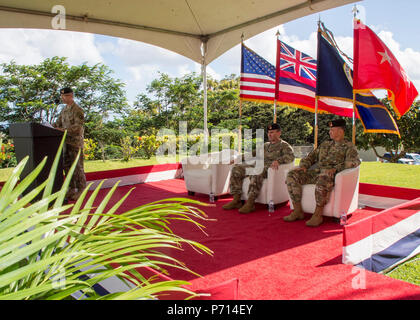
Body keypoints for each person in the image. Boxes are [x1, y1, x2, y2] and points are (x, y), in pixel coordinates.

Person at [284, 119, 360, 227]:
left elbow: (353, 162)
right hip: (316, 173)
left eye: (332, 129)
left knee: (324, 178)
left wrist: (335, 169)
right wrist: (304, 166)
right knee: (292, 175)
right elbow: (311, 156)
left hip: (330, 176)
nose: (330, 132)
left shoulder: (349, 146)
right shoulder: (325, 144)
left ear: (340, 131)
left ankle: (318, 215)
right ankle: (297, 211)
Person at [223, 123, 295, 214]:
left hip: (268, 168)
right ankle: (236, 200)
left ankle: (250, 203)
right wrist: (238, 158)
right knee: (237, 168)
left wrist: (279, 161)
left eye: (272, 132)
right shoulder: (266, 145)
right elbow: (253, 153)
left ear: (279, 133)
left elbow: (291, 157)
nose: (269, 134)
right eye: (268, 132)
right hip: (258, 164)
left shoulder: (284, 146)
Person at [53, 87, 86, 201]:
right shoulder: (64, 110)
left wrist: (64, 130)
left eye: (65, 96)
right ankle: (71, 188)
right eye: (62, 96)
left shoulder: (77, 110)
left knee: (77, 167)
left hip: (75, 143)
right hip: (65, 143)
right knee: (66, 166)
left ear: (71, 95)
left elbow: (78, 127)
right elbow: (57, 124)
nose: (62, 98)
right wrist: (49, 126)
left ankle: (82, 190)